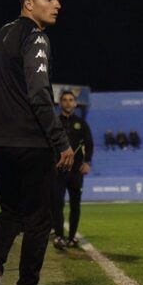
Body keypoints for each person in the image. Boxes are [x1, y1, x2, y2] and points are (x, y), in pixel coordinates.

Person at [0, 0, 74, 285]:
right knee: (38, 221)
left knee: (10, 211)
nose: (57, 4)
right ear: (29, 4)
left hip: (1, 145)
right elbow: (39, 95)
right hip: (32, 145)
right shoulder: (36, 37)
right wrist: (62, 143)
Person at [52, 90, 93, 249]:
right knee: (57, 204)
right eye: (65, 100)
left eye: (71, 100)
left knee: (75, 205)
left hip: (76, 172)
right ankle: (59, 236)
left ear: (75, 103)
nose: (68, 102)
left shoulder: (81, 123)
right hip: (58, 171)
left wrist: (87, 162)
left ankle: (72, 237)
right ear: (60, 103)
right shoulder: (54, 122)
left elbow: (89, 144)